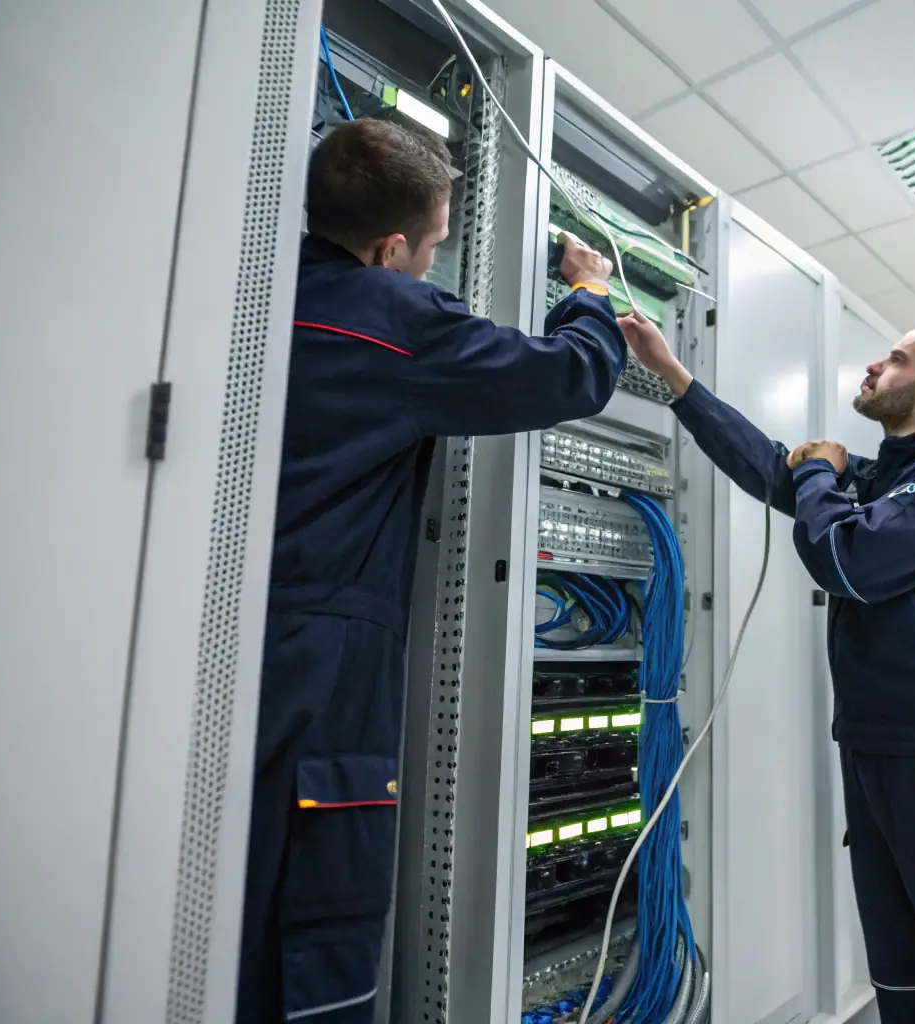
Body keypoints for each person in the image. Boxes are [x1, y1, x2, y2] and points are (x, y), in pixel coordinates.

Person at [237, 118, 627, 1024]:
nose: (430, 262)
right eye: (433, 247)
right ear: (389, 248)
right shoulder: (395, 319)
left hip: (215, 624)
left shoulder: (247, 282)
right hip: (324, 653)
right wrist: (589, 292)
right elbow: (573, 377)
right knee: (315, 902)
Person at [618, 313, 915, 1024]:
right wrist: (674, 378)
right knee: (904, 969)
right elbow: (775, 470)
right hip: (874, 752)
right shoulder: (883, 481)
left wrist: (818, 477)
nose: (873, 368)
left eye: (895, 361)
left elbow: (849, 561)